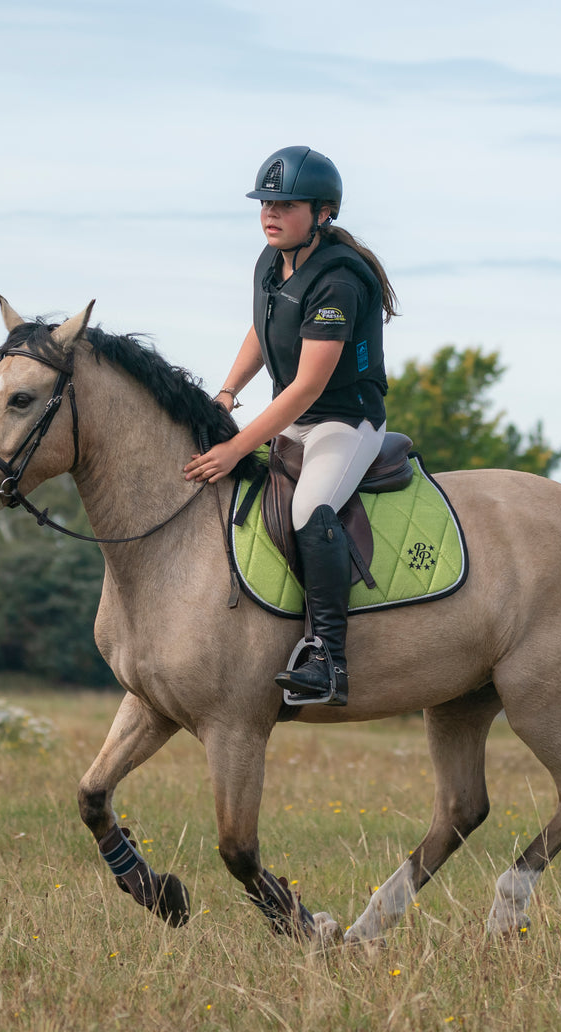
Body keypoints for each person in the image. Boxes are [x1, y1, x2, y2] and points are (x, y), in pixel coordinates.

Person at [183, 145, 399, 707]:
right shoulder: (271, 259)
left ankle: (328, 659)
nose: (270, 214)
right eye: (265, 203)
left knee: (309, 510)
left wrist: (236, 446)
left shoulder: (339, 283)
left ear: (323, 213)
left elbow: (307, 386)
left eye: (286, 205)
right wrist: (229, 391)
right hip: (295, 417)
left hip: (344, 423)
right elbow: (262, 326)